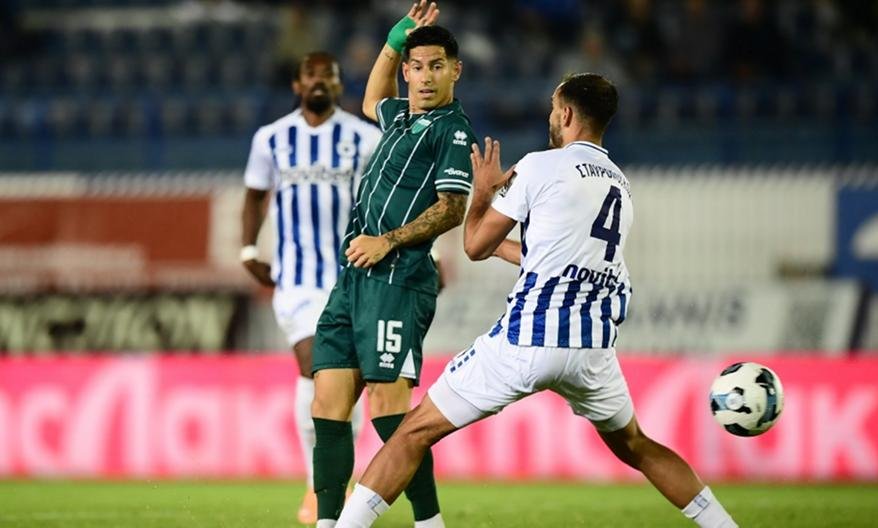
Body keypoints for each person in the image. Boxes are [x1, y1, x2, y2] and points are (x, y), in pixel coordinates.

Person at [336, 73, 739, 528]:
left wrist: (482, 193)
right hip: (592, 350)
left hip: (529, 339)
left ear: (565, 114)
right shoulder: (620, 186)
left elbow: (474, 245)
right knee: (636, 445)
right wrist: (500, 243)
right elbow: (546, 256)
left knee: (412, 432)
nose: (550, 115)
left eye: (552, 107)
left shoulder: (541, 166)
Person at [309, 1, 477, 527]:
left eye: (436, 66)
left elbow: (451, 209)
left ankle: (429, 521)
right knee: (327, 403)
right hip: (354, 278)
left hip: (399, 278)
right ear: (407, 71)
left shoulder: (452, 129)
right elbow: (370, 100)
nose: (425, 77)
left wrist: (388, 240)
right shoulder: (401, 116)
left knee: (389, 410)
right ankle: (328, 522)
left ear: (455, 70)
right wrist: (392, 42)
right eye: (417, 66)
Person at [239, 51, 382, 525]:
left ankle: (337, 481)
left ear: (339, 85)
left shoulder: (365, 138)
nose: (319, 81)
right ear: (297, 85)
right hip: (297, 280)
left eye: (328, 76)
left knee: (344, 380)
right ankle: (316, 484)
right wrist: (247, 250)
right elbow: (254, 196)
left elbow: (389, 201)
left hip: (351, 278)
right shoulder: (271, 138)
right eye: (311, 75)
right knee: (314, 367)